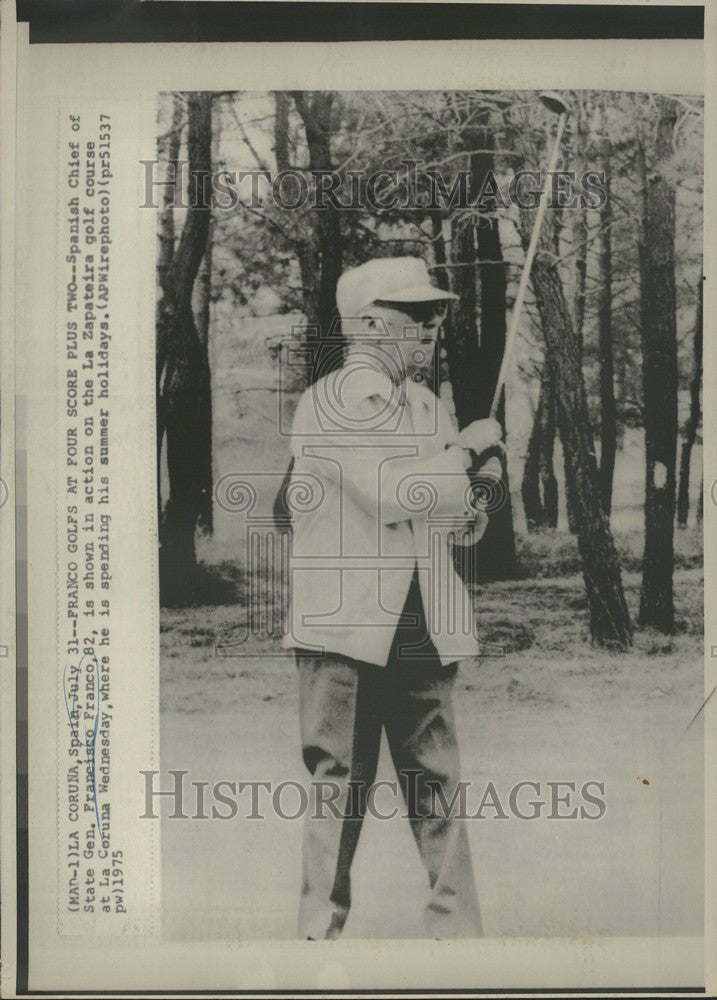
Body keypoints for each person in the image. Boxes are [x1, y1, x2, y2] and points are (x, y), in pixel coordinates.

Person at [283, 256, 503, 940]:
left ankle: (459, 940)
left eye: (435, 314)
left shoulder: (427, 405)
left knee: (438, 789)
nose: (433, 327)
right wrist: (464, 456)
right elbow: (386, 492)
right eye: (416, 316)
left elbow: (446, 520)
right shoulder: (327, 401)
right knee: (338, 791)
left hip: (421, 627)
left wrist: (477, 497)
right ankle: (316, 943)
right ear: (369, 324)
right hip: (343, 631)